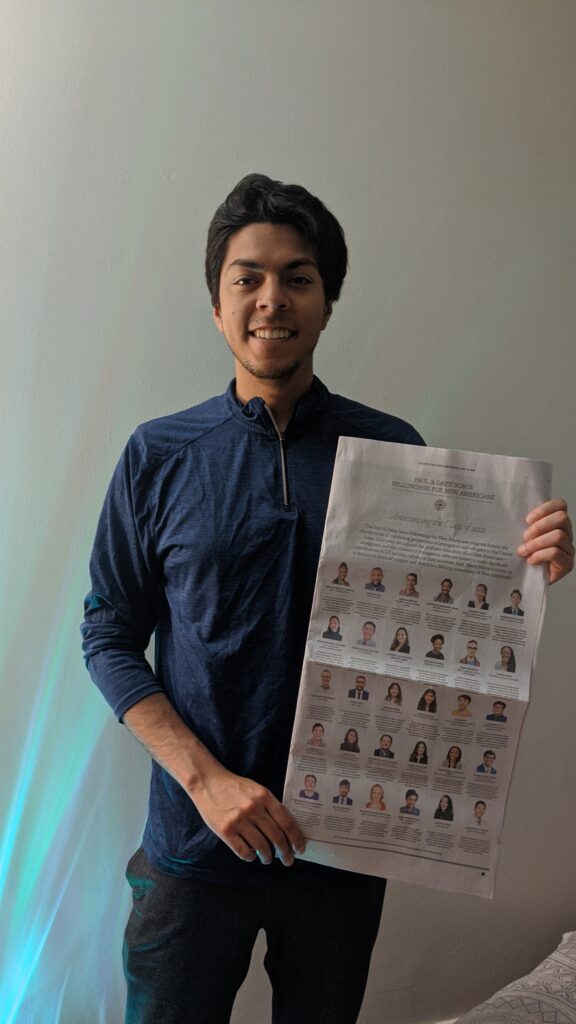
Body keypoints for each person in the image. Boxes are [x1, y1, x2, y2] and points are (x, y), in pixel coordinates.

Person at [81, 172, 574, 1024]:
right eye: (249, 277)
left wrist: (529, 563)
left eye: (298, 277)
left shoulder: (395, 453)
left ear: (328, 301)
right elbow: (108, 635)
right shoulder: (158, 455)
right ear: (216, 303)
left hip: (344, 849)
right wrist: (207, 783)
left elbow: (450, 618)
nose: (272, 299)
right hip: (195, 849)